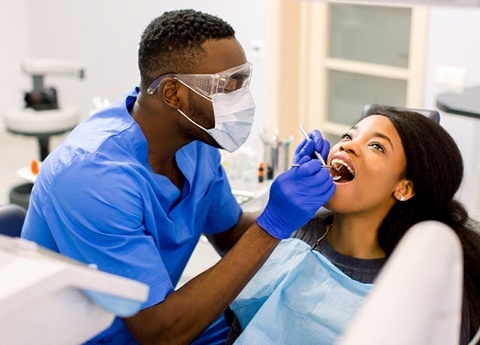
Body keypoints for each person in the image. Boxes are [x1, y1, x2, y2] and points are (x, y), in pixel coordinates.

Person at [20, 9, 335, 345]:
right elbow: (161, 333)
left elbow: (228, 232)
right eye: (227, 87)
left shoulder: (195, 142)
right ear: (172, 93)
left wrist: (305, 201)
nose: (242, 100)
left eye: (243, 82)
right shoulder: (91, 176)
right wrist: (272, 224)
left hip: (157, 322)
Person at [227, 106, 480, 345]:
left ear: (404, 188)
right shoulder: (294, 231)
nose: (347, 147)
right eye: (349, 136)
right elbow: (241, 328)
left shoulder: (420, 280)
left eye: (376, 146)